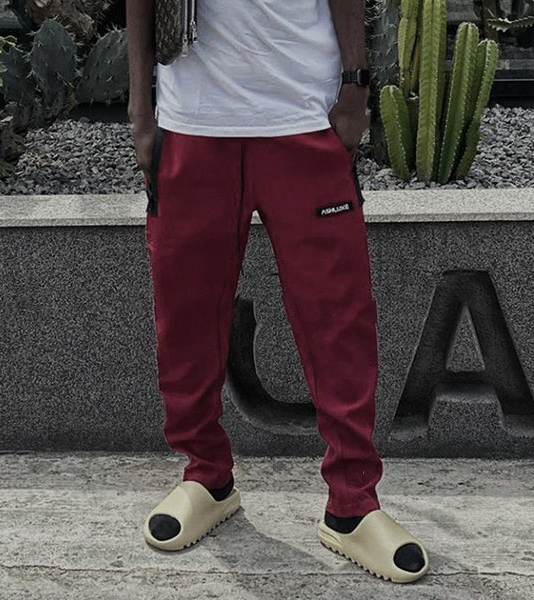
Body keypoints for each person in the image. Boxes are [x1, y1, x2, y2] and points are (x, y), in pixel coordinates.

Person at [126, 0, 429, 583]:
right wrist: (141, 110)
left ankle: (353, 502)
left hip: (304, 115)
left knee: (338, 318)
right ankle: (206, 476)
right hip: (194, 122)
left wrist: (355, 88)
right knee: (185, 317)